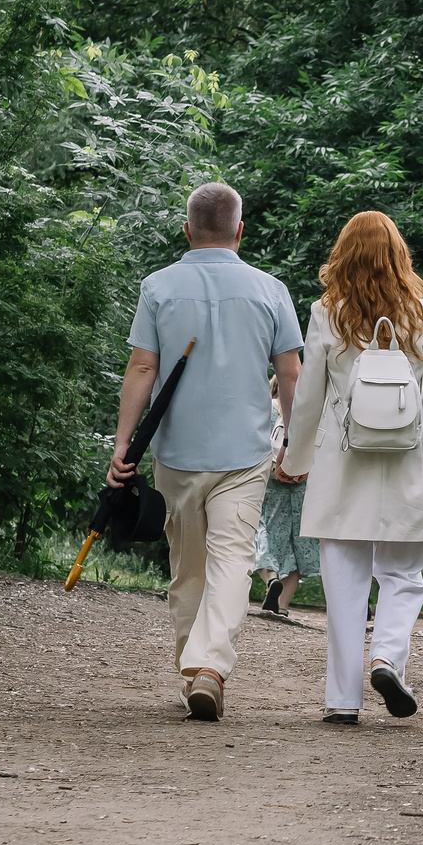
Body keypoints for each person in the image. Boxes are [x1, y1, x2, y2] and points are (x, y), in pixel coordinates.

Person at [113, 182, 303, 722]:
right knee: (233, 562)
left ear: (187, 229)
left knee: (189, 565)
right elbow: (290, 371)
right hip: (244, 454)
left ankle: (195, 669)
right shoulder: (271, 290)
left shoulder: (158, 287)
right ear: (240, 231)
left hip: (176, 453)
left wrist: (123, 444)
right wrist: (292, 440)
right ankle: (209, 668)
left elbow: (142, 368)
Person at [281, 211, 423, 724]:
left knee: (344, 583)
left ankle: (342, 701)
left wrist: (295, 459)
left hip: (343, 462)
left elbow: (310, 395)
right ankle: (387, 658)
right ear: (399, 257)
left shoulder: (325, 314)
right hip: (408, 461)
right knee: (403, 575)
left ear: (343, 256)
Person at [253, 378, 319, 621]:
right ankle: (280, 606)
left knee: (261, 531)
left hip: (270, 481)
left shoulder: (266, 407)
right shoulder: (310, 413)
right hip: (302, 482)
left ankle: (271, 580)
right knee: (296, 544)